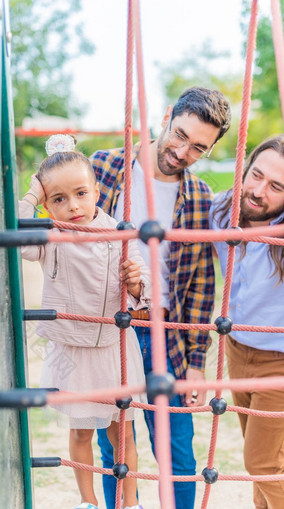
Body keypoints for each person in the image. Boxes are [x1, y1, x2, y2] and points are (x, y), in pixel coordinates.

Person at [90, 87, 232, 509]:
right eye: (180, 135)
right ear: (168, 115)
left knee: (179, 455)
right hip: (110, 331)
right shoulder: (104, 167)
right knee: (116, 451)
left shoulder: (201, 196)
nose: (183, 151)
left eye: (199, 147)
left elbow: (204, 287)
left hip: (165, 334)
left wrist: (194, 365)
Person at [20, 134, 152, 509]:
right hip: (73, 351)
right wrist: (31, 197)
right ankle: (88, 501)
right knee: (80, 432)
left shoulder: (119, 234)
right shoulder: (48, 237)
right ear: (47, 206)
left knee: (121, 432)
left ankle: (130, 502)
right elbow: (18, 234)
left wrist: (135, 283)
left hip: (113, 349)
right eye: (58, 199)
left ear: (96, 191)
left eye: (80, 193)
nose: (73, 206)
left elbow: (145, 298)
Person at [210, 135, 284, 509]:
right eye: (255, 175)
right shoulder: (223, 209)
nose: (257, 191)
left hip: (279, 362)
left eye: (276, 187)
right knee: (268, 462)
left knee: (262, 462)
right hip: (236, 350)